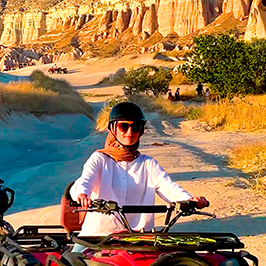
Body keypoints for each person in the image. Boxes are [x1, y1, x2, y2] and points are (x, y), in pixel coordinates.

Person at [70, 102, 208, 237]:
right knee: (70, 260)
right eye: (123, 126)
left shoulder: (149, 164)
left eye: (135, 127)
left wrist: (190, 200)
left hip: (140, 239)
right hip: (97, 236)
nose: (129, 132)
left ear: (141, 130)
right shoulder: (99, 158)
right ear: (113, 128)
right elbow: (86, 179)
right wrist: (83, 194)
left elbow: (168, 187)